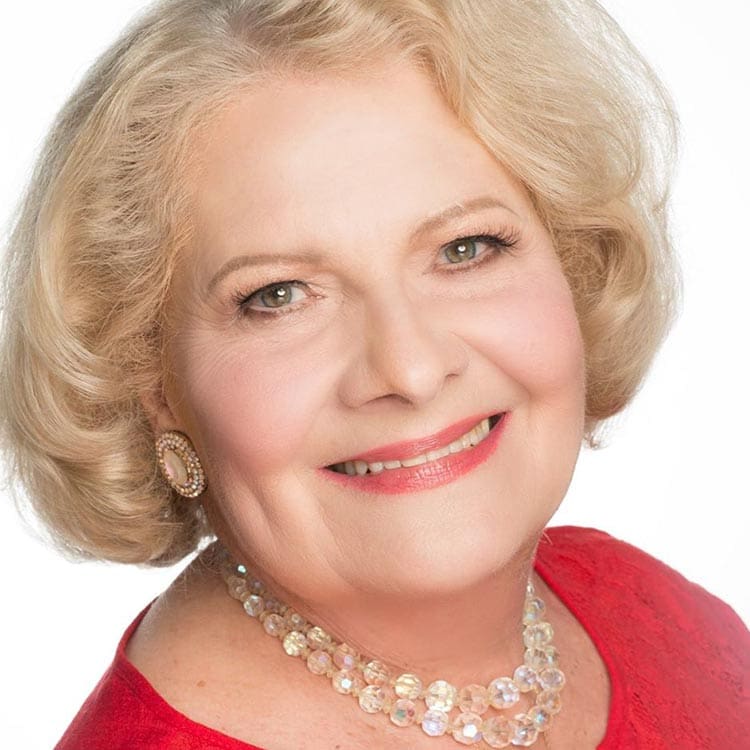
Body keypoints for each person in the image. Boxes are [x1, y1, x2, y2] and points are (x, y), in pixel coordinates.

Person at [0, 0, 747, 748]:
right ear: (153, 386)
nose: (411, 369)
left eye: (465, 248)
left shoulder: (667, 620)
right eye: (279, 295)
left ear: (573, 264)